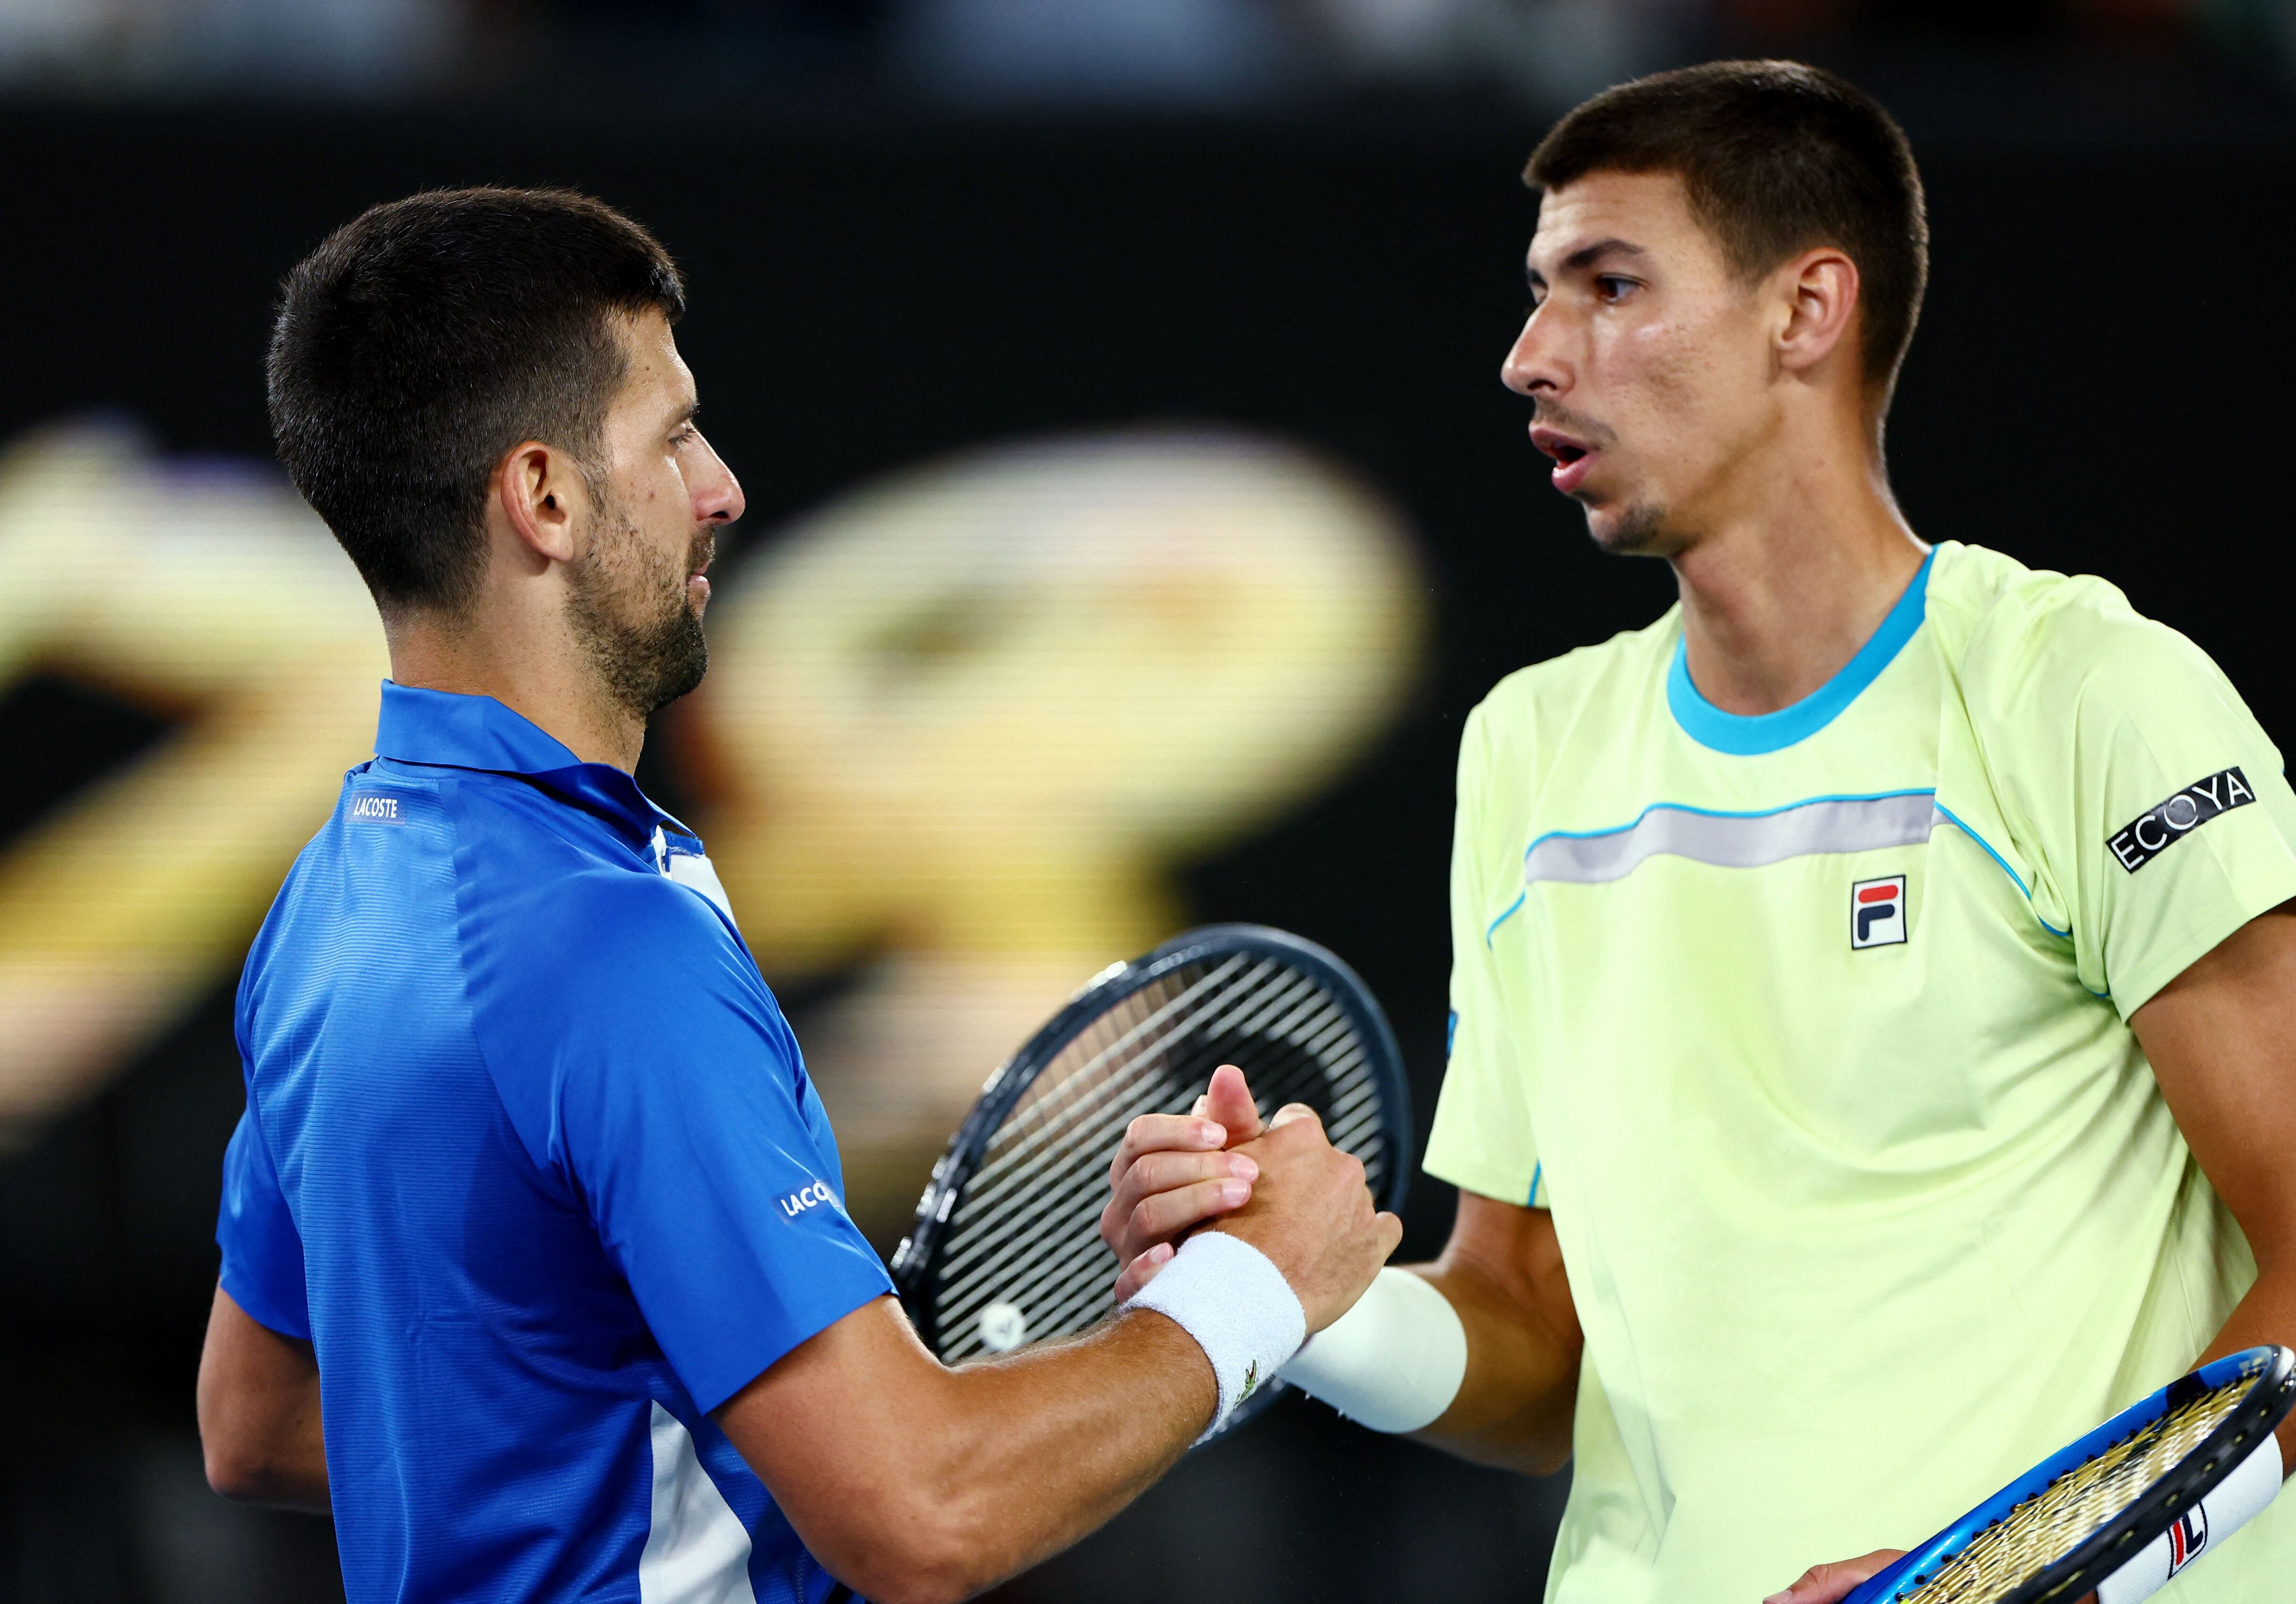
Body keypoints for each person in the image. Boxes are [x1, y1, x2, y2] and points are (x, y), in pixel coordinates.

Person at [1101, 60, 2296, 1604]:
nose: (1529, 357)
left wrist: (1998, 1579)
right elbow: (1535, 1346)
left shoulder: (2087, 695)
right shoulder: (1531, 754)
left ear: (1806, 312)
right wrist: (1314, 1301)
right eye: (1537, 293)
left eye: (1610, 285)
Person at [194, 187, 1401, 1604]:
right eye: (674, 434)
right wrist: (1254, 1293)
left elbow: (257, 1417)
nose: (722, 488)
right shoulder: (607, 952)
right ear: (546, 497)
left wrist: (783, 1421)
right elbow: (919, 1516)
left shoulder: (337, 892)